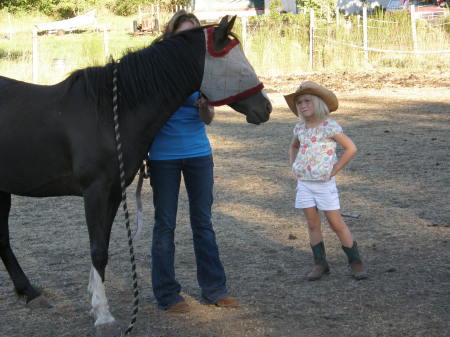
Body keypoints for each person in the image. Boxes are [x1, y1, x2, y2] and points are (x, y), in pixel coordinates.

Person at [148, 10, 238, 313]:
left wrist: (204, 107)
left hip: (199, 153)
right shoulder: (155, 68)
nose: (188, 40)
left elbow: (208, 118)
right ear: (171, 36)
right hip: (163, 157)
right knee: (165, 225)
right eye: (182, 34)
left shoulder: (203, 69)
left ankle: (215, 288)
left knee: (203, 223)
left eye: (193, 35)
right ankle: (167, 294)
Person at [285, 81, 368, 281]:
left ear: (317, 102)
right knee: (312, 224)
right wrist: (294, 165)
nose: (303, 105)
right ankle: (320, 263)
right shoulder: (300, 129)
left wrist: (335, 169)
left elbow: (351, 148)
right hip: (304, 183)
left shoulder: (329, 126)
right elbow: (294, 147)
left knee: (336, 223)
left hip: (324, 184)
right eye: (299, 103)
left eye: (307, 101)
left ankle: (355, 261)